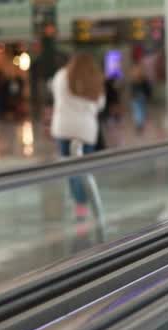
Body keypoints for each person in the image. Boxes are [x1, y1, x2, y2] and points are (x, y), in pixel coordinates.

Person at [50, 53, 106, 217]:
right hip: (85, 130)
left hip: (63, 128)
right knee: (84, 168)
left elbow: (56, 97)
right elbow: (100, 105)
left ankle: (78, 202)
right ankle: (83, 203)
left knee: (69, 167)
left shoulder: (61, 76)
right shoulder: (94, 78)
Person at [128, 64, 152, 134]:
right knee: (138, 111)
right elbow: (147, 89)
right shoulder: (136, 80)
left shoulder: (141, 80)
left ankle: (140, 124)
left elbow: (147, 89)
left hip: (140, 98)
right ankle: (139, 125)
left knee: (140, 111)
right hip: (137, 98)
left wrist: (148, 96)